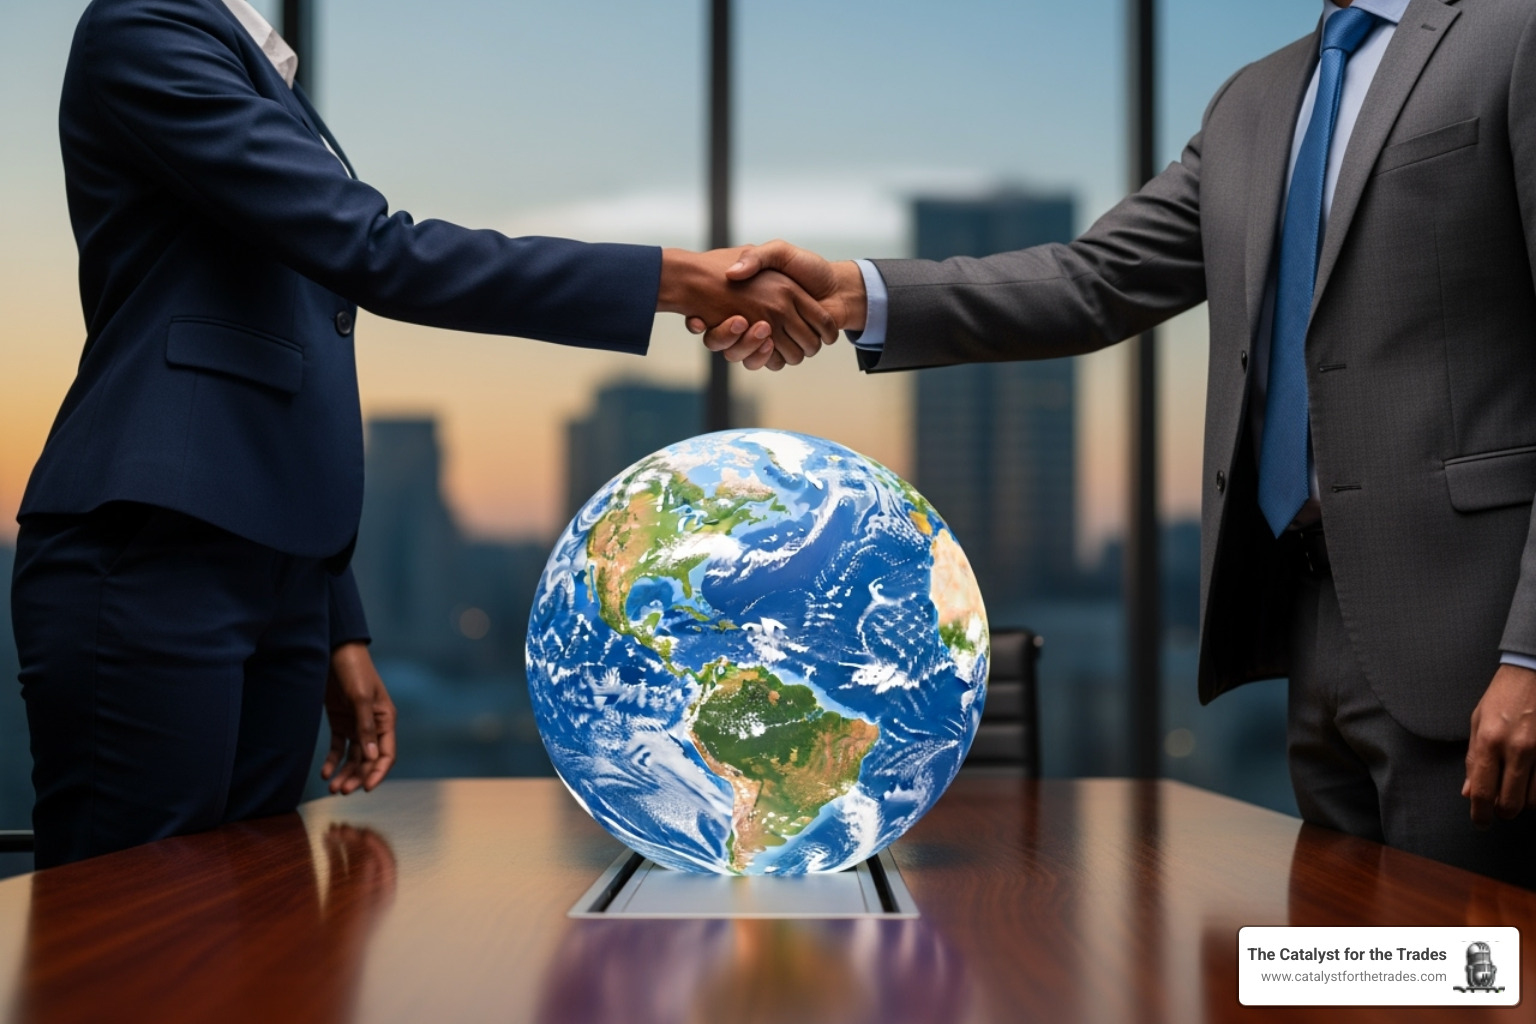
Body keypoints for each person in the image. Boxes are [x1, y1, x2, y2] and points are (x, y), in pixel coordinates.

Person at [698, 0, 1536, 886]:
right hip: (1307, 617)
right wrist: (853, 294)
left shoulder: (1512, 31)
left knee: (1479, 978)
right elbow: (1093, 280)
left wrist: (1530, 653)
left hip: (1478, 632)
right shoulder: (1255, 98)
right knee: (1362, 969)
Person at [11, 0, 830, 868]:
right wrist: (680, 278)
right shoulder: (146, 29)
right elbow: (376, 251)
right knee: (133, 939)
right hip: (151, 543)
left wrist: (333, 621)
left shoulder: (253, 63)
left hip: (268, 566)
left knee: (248, 928)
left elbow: (279, 363)